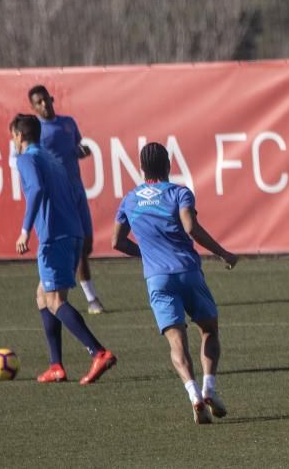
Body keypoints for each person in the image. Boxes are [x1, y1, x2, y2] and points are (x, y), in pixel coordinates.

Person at [112, 142, 239, 425]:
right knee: (209, 329)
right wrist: (223, 253)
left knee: (176, 339)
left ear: (142, 169)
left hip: (157, 279)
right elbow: (191, 228)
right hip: (187, 272)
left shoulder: (130, 199)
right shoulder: (179, 192)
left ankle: (193, 395)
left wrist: (145, 254)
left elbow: (116, 242)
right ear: (168, 165)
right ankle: (209, 388)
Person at [10, 113, 117, 385]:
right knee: (42, 295)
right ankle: (56, 365)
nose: (13, 141)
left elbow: (35, 191)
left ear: (20, 136)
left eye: (13, 136)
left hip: (54, 237)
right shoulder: (52, 159)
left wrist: (25, 230)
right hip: (72, 233)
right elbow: (70, 192)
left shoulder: (27, 159)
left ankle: (99, 352)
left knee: (56, 300)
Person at [28, 85, 105, 314]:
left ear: (52, 99)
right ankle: (90, 299)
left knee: (87, 244)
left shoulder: (68, 122)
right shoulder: (37, 132)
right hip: (60, 196)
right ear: (33, 107)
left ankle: (65, 290)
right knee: (77, 245)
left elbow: (76, 147)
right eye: (38, 103)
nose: (44, 105)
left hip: (77, 190)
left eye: (46, 100)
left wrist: (82, 150)